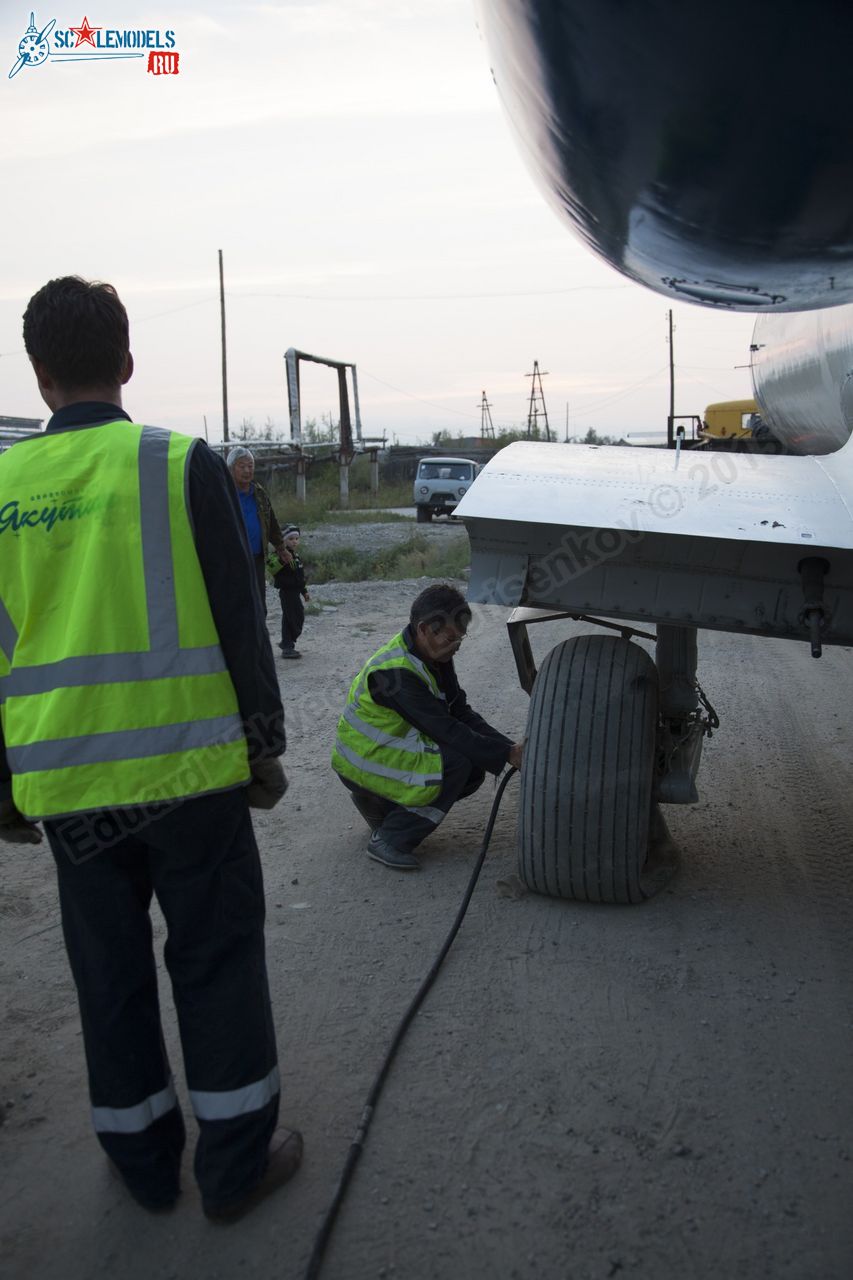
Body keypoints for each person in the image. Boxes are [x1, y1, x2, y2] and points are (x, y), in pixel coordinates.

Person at [0, 276, 302, 1220]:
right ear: (127, 364)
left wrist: (1, 791)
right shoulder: (178, 462)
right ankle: (234, 1167)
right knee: (214, 959)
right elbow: (238, 619)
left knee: (108, 972)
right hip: (190, 774)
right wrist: (263, 745)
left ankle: (139, 1164)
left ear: (38, 373)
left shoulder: (1, 486)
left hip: (68, 788)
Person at [331, 583, 524, 870]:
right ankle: (390, 838)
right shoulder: (395, 673)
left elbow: (460, 712)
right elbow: (446, 729)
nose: (456, 646)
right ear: (424, 629)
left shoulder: (434, 655)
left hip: (381, 755)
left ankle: (380, 807)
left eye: (460, 639)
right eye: (449, 638)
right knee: (456, 764)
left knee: (472, 768)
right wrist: (506, 756)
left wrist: (510, 749)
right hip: (361, 763)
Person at [226, 445, 289, 615]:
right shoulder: (224, 494)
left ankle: (259, 634)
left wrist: (281, 547)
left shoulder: (258, 493)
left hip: (257, 557)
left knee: (259, 601)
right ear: (231, 469)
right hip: (232, 558)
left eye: (250, 466)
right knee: (236, 600)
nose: (247, 470)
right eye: (242, 466)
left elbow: (271, 520)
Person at [270, 523, 310, 659]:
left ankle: (287, 643)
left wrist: (304, 591)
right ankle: (287, 646)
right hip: (287, 592)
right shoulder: (279, 556)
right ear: (283, 540)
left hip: (295, 591)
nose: (294, 541)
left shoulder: (296, 556)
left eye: (296, 539)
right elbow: (272, 569)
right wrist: (282, 561)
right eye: (291, 539)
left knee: (294, 617)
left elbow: (300, 576)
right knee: (293, 617)